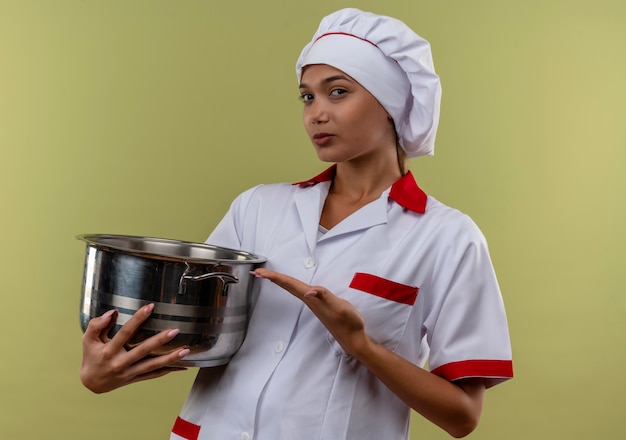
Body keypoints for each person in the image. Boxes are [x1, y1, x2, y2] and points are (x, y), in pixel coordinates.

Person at [79, 8, 513, 440]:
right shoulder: (257, 208)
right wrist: (107, 370)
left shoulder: (447, 237)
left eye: (337, 92)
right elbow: (190, 338)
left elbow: (462, 416)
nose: (316, 113)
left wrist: (360, 345)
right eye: (307, 96)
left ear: (391, 103)